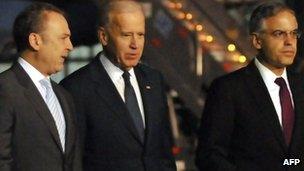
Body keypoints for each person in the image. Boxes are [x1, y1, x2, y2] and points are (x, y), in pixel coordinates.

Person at [60, 0, 176, 170]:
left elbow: (164, 151)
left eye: (140, 35)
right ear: (103, 36)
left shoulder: (154, 80)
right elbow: (73, 161)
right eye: (126, 35)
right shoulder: (76, 88)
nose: (135, 45)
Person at [196, 2, 304, 171]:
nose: (290, 41)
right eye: (279, 33)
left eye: (294, 33)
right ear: (257, 41)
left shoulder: (300, 86)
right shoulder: (228, 89)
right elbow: (209, 156)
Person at [0, 2, 81, 171]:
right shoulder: (5, 89)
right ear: (35, 41)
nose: (70, 46)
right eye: (63, 38)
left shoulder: (64, 96)